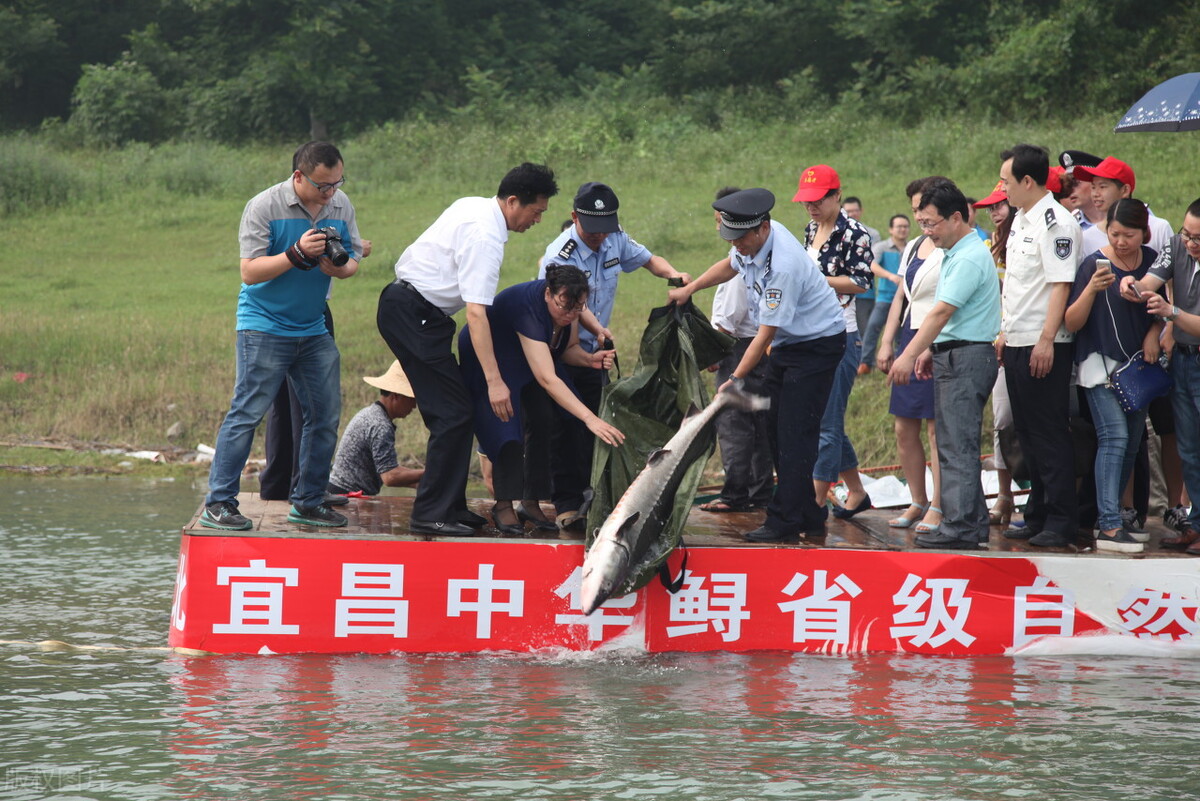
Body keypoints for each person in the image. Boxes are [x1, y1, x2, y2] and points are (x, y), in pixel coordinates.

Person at [377, 162, 558, 537]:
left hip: (415, 311)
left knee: (456, 411)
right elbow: (476, 314)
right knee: (453, 415)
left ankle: (452, 507)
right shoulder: (486, 237)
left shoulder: (474, 205)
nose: (537, 220)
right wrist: (495, 381)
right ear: (513, 201)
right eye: (536, 211)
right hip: (416, 316)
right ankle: (431, 514)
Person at [668, 188, 846, 543]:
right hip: (789, 344)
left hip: (815, 347)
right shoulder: (750, 242)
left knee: (795, 434)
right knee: (775, 428)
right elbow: (730, 266)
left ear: (762, 228)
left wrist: (735, 378)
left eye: (740, 239)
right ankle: (810, 514)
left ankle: (783, 522)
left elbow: (763, 335)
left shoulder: (782, 266)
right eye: (730, 238)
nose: (736, 246)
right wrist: (694, 289)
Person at [201, 141, 360, 531]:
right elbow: (250, 272)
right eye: (323, 186)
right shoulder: (264, 206)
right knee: (247, 414)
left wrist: (338, 269)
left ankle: (307, 501)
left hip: (313, 327)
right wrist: (295, 253)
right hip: (264, 326)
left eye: (338, 183)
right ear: (298, 177)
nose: (331, 193)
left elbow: (353, 258)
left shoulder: (341, 205)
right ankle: (219, 502)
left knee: (323, 416)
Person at [539, 181, 689, 525]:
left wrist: (675, 275)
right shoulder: (559, 256)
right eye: (592, 230)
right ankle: (565, 505)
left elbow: (650, 260)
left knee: (598, 426)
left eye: (605, 229)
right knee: (566, 428)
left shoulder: (615, 237)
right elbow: (567, 307)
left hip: (597, 353)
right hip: (561, 350)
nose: (599, 237)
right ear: (575, 217)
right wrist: (597, 330)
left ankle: (595, 501)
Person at [458, 264, 624, 535]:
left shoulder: (570, 312)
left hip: (529, 358)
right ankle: (503, 505)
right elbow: (548, 379)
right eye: (564, 306)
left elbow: (567, 352)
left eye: (577, 308)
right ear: (548, 294)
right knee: (506, 423)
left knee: (546, 417)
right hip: (492, 355)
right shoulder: (529, 311)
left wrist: (589, 359)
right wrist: (591, 418)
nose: (570, 314)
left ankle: (530, 500)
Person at [889, 180, 1001, 550]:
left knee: (958, 446)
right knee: (954, 442)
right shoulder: (956, 251)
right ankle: (969, 523)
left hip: (966, 357)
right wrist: (927, 350)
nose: (927, 232)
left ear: (956, 217)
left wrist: (908, 353)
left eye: (932, 224)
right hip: (954, 351)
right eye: (922, 224)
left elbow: (941, 312)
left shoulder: (969, 255)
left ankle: (960, 526)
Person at [1065, 199, 1163, 553]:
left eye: (1129, 235)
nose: (1121, 241)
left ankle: (1115, 519)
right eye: (1115, 233)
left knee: (1133, 442)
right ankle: (1107, 526)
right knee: (1115, 437)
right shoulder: (1093, 264)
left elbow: (1164, 310)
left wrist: (1154, 334)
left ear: (1144, 232)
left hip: (1138, 370)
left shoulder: (1153, 262)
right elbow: (1071, 322)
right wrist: (1092, 288)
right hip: (1098, 366)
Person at [997, 143, 1082, 549]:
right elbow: (1019, 284)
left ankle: (1062, 519)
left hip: (1043, 342)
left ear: (1027, 181)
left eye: (1005, 181)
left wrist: (1047, 340)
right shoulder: (1020, 219)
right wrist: (1004, 331)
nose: (1001, 188)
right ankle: (1038, 512)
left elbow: (1059, 284)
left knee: (1048, 433)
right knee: (1026, 433)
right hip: (1017, 339)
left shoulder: (1056, 222)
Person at [260, 238, 372, 507]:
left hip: (273, 308)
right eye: (327, 190)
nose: (331, 193)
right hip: (309, 307)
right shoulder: (319, 209)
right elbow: (342, 252)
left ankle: (277, 484)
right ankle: (307, 488)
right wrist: (355, 247)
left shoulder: (276, 210)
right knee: (312, 404)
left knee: (284, 402)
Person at [793, 165, 875, 520]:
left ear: (836, 196)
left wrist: (818, 281)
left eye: (818, 200)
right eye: (806, 201)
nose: (811, 207)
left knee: (826, 422)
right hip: (809, 333)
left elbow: (861, 282)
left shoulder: (854, 233)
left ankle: (814, 502)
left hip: (840, 334)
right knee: (827, 419)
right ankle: (855, 491)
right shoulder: (811, 228)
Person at [1119, 197, 1200, 554]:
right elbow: (1150, 280)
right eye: (1187, 234)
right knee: (1188, 448)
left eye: (1198, 239)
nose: (1190, 243)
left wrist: (1171, 312)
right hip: (1182, 361)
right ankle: (1195, 524)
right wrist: (1133, 287)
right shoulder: (1175, 247)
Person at [876, 178, 948, 535]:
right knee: (904, 425)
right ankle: (917, 499)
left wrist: (929, 346)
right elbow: (900, 297)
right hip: (909, 335)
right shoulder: (915, 245)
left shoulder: (952, 244)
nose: (919, 215)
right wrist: (888, 341)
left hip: (936, 338)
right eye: (915, 208)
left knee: (936, 429)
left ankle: (939, 504)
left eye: (924, 208)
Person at [703, 186, 774, 513]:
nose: (722, 229)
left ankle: (734, 494)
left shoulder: (741, 260)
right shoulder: (758, 254)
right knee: (759, 423)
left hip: (738, 347)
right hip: (761, 346)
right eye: (719, 221)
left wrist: (714, 352)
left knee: (733, 424)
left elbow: (728, 318)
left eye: (725, 222)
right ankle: (760, 492)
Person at [327, 360, 425, 496]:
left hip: (338, 489)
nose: (414, 406)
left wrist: (419, 481)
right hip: (347, 496)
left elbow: (386, 468)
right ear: (396, 396)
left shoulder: (371, 413)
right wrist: (430, 472)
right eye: (411, 399)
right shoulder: (381, 425)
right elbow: (389, 477)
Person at [1074, 157, 1173, 254]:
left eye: (1102, 187)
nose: (1095, 194)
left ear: (1125, 190)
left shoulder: (1159, 229)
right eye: (1093, 187)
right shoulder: (1086, 238)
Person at [860, 214, 909, 372]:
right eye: (899, 226)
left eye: (905, 226)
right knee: (873, 327)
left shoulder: (911, 248)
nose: (902, 229)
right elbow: (872, 265)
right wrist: (889, 275)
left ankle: (897, 362)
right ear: (890, 230)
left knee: (901, 333)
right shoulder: (882, 247)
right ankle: (866, 362)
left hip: (905, 299)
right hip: (885, 296)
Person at [843, 196, 880, 358]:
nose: (852, 214)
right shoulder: (836, 233)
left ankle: (863, 361)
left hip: (864, 290)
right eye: (848, 211)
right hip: (841, 289)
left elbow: (872, 261)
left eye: (855, 210)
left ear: (861, 211)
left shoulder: (872, 234)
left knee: (864, 326)